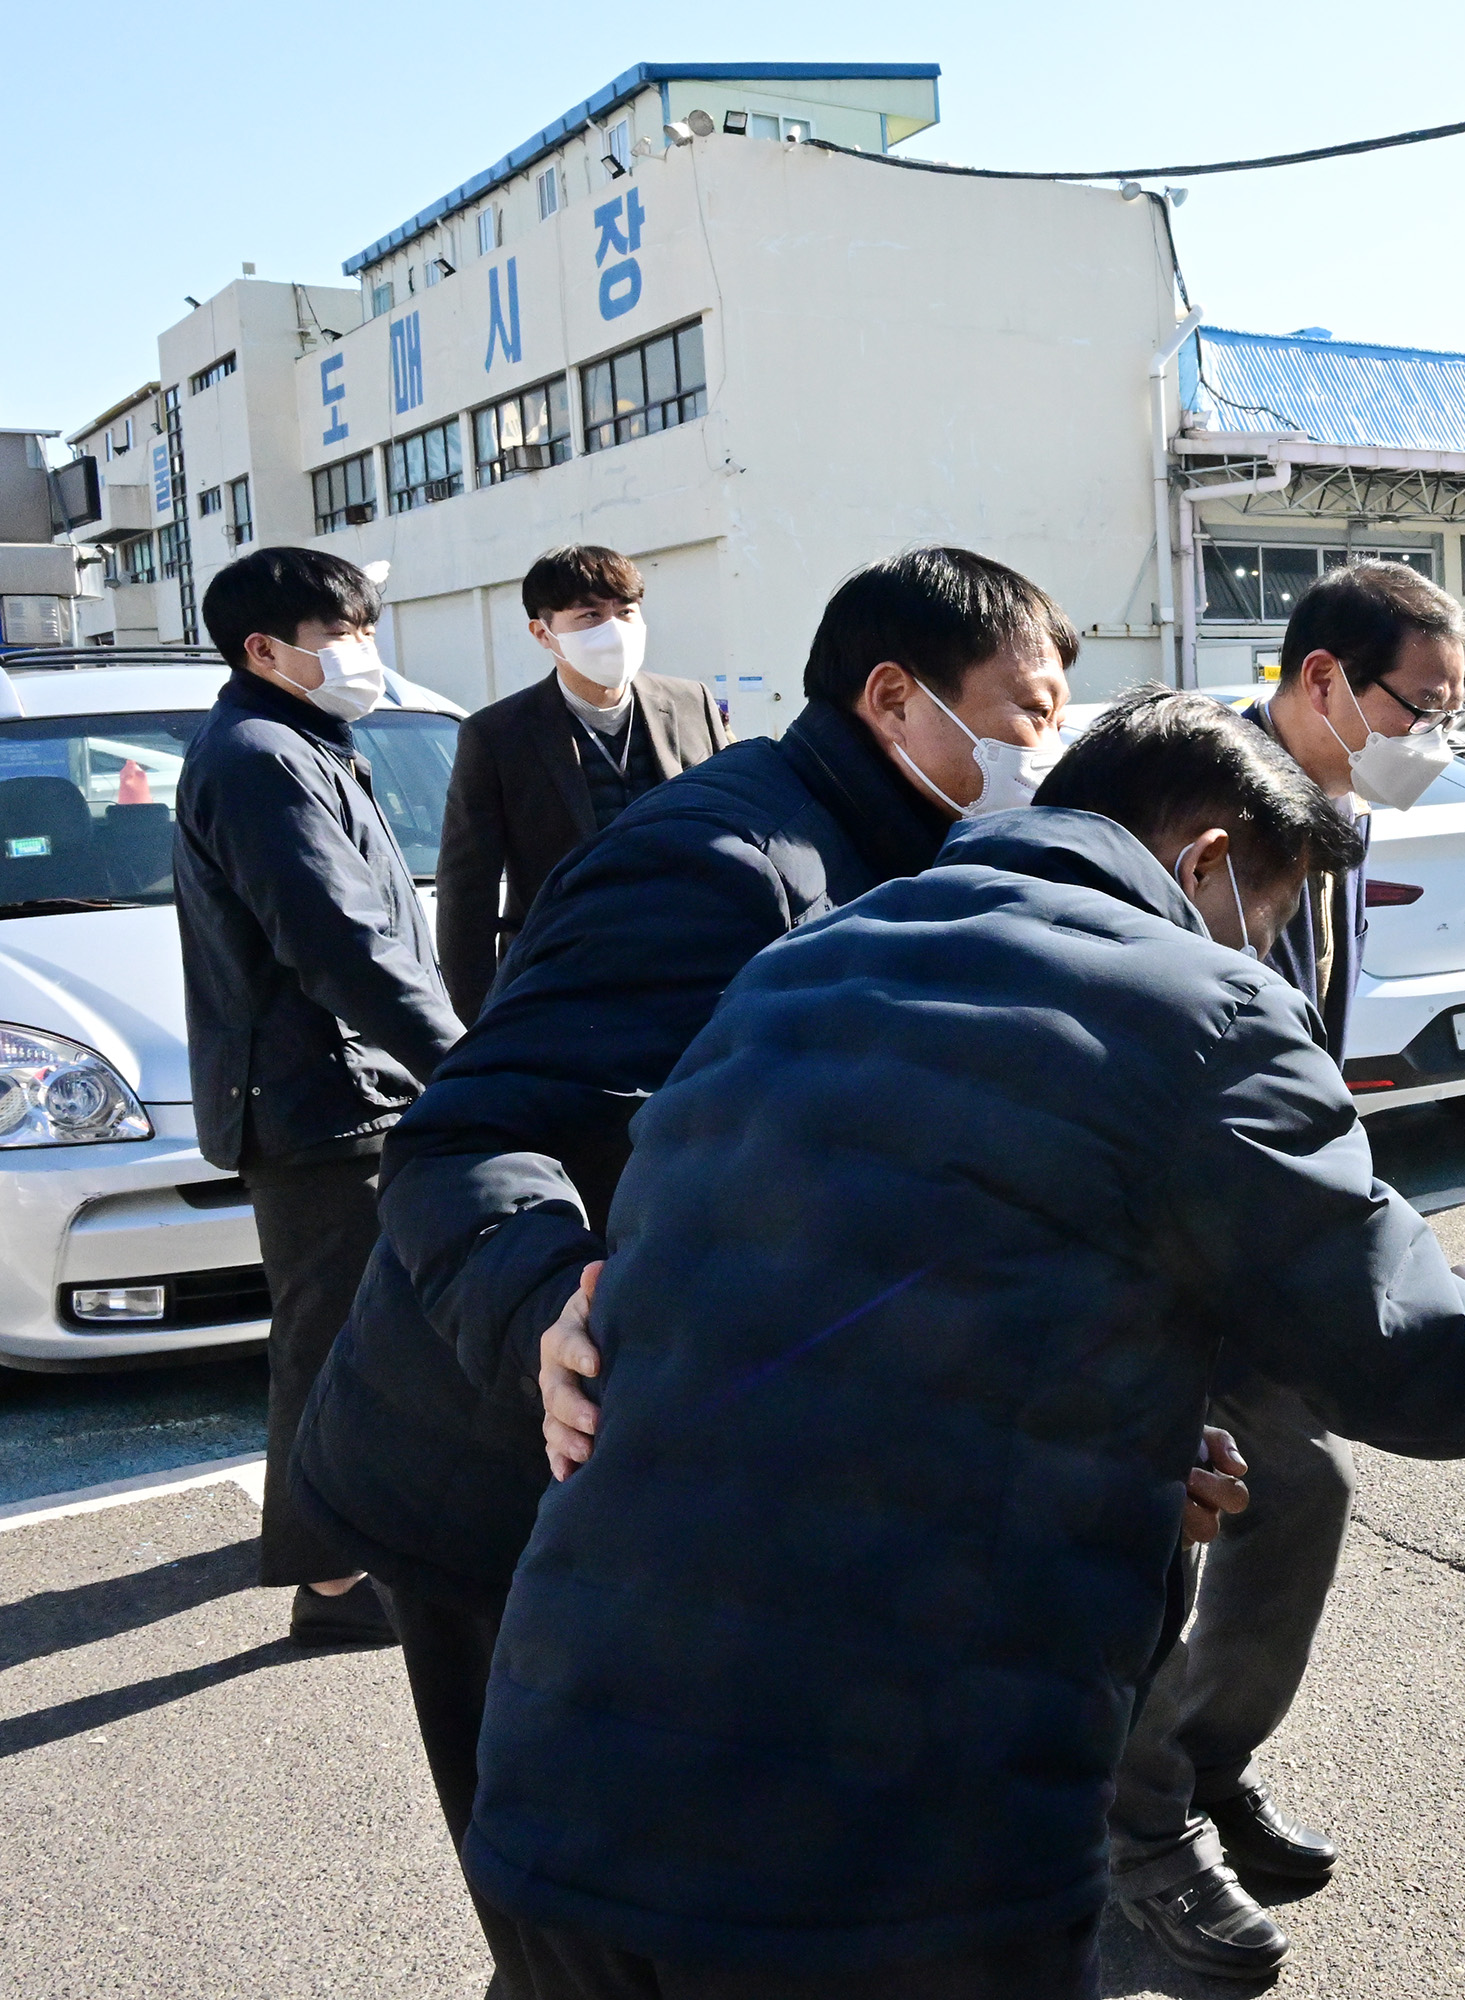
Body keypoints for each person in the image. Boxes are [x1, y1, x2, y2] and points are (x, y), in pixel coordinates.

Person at [460, 688, 1465, 2000]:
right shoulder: (1205, 1013)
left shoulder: (805, 961)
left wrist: (1120, 1441)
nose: (1263, 961)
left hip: (566, 1779)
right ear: (1205, 861)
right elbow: (1417, 1362)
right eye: (1267, 927)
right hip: (883, 1849)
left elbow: (830, 1316)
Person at [285, 548, 1086, 1994]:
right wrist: (542, 1305)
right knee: (573, 1913)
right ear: (894, 698)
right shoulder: (718, 865)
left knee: (653, 1905)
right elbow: (467, 1132)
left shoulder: (908, 850)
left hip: (679, 1464)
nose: (1047, 746)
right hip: (502, 1458)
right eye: (1027, 712)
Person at [1106, 560, 1465, 1976]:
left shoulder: (1336, 820)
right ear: (1323, 679)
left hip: (1248, 1245)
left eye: (1454, 707)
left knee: (1294, 1500)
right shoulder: (1196, 800)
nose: (1435, 733)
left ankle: (1198, 1765)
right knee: (1175, 1529)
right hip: (1155, 1250)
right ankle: (1141, 1840)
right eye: (1417, 705)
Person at [178, 548, 464, 1646]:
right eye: (339, 635)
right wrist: (459, 1058)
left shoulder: (302, 738)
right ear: (264, 650)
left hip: (347, 1086)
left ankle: (352, 1546)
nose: (361, 655)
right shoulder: (258, 755)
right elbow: (341, 943)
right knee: (330, 1335)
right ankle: (331, 1583)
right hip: (319, 1101)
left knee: (363, 1329)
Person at [435, 546, 730, 1023]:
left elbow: (740, 821)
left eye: (625, 611)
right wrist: (473, 1016)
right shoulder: (497, 734)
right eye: (589, 615)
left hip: (692, 967)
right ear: (543, 633)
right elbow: (467, 887)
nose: (614, 629)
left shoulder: (690, 702)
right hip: (565, 981)